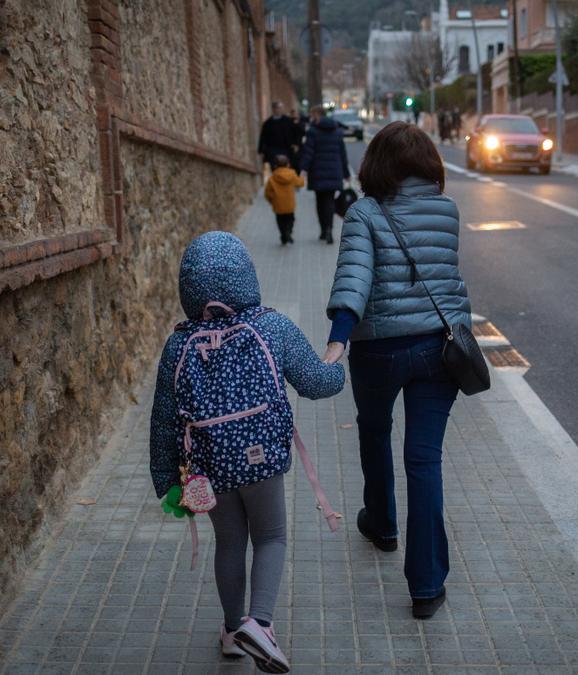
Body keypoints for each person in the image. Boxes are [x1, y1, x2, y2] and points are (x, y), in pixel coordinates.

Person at [150, 232, 344, 673]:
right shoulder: (270, 327)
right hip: (262, 461)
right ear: (246, 278)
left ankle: (233, 629)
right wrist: (338, 365)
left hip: (209, 467)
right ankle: (261, 624)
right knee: (271, 536)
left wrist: (166, 481)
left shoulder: (178, 346)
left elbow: (163, 421)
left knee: (231, 542)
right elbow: (316, 382)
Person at [321, 122, 472, 620]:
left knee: (373, 431)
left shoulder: (364, 212)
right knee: (424, 461)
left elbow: (355, 275)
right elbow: (447, 279)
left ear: (376, 164)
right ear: (429, 163)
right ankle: (426, 588)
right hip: (437, 349)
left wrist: (338, 337)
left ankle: (382, 523)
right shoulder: (447, 210)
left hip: (379, 352)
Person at [299, 105, 350, 245]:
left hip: (317, 171)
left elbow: (308, 152)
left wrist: (303, 169)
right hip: (335, 171)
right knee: (329, 201)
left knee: (320, 201)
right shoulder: (337, 130)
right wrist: (346, 173)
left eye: (312, 115)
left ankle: (324, 230)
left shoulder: (313, 131)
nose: (311, 117)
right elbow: (342, 154)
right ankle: (329, 229)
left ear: (318, 115)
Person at [263, 155, 304, 245]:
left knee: (280, 221)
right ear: (288, 165)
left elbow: (267, 193)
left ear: (275, 166)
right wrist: (302, 177)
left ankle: (283, 235)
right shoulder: (292, 174)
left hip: (278, 205)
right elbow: (300, 183)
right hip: (290, 204)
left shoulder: (272, 178)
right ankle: (288, 232)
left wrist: (271, 200)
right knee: (291, 219)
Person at [257, 101, 296, 170]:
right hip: (272, 150)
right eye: (278, 108)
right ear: (273, 109)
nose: (279, 110)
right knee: (275, 169)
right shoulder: (268, 123)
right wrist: (261, 150)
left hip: (286, 149)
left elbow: (295, 132)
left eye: (281, 108)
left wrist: (295, 144)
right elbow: (263, 137)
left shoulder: (288, 121)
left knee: (287, 169)